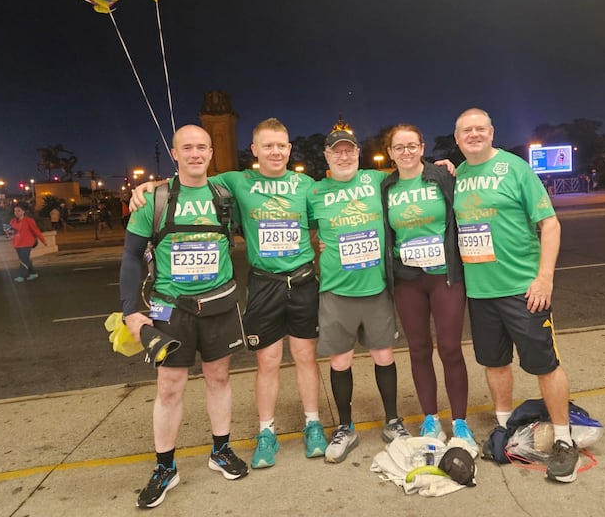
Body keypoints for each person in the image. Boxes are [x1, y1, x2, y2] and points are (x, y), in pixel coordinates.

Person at [130, 118, 327, 469]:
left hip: (302, 281)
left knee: (305, 357)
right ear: (254, 150)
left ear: (289, 148)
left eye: (281, 145)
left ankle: (313, 424)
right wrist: (150, 185)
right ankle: (266, 432)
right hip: (263, 283)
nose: (276, 151)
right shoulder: (235, 182)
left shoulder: (306, 185)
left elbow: (320, 225)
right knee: (266, 361)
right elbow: (190, 180)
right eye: (268, 145)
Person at [120, 125, 248, 509]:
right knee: (169, 387)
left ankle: (221, 450)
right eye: (187, 148)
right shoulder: (154, 200)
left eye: (202, 147)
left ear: (212, 153)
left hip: (220, 302)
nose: (195, 154)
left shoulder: (227, 195)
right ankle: (165, 467)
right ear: (174, 154)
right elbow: (130, 257)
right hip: (170, 307)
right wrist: (130, 311)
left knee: (219, 377)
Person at [451, 108, 579, 483]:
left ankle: (564, 439)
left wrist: (545, 278)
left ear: (491, 132)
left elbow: (550, 223)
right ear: (457, 138)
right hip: (480, 292)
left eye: (480, 128)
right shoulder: (456, 177)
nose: (473, 134)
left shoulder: (516, 169)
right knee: (494, 363)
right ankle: (504, 426)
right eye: (465, 130)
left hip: (524, 290)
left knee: (545, 365)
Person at [307, 130, 411, 464]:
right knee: (341, 361)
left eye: (349, 151)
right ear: (326, 156)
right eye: (336, 152)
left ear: (358, 153)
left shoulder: (378, 180)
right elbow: (301, 226)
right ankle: (345, 427)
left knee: (384, 355)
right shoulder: (315, 191)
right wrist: (316, 244)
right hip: (336, 291)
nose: (344, 157)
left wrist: (444, 167)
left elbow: (414, 176)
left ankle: (393, 421)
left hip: (376, 288)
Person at [379, 124, 477, 451]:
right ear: (390, 153)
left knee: (450, 347)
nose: (405, 152)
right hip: (408, 279)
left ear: (422, 147)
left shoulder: (442, 176)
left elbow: (472, 196)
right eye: (399, 147)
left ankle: (460, 422)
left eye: (411, 146)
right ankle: (431, 417)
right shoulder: (385, 186)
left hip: (444, 276)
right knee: (419, 349)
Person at [7, 203, 47, 282]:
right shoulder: (12, 221)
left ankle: (22, 276)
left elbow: (36, 231)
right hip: (17, 243)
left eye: (18, 211)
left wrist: (43, 240)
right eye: (15, 211)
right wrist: (9, 234)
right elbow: (11, 232)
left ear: (23, 212)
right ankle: (33, 273)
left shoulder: (29, 220)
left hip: (27, 243)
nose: (16, 213)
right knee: (24, 259)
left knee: (24, 259)